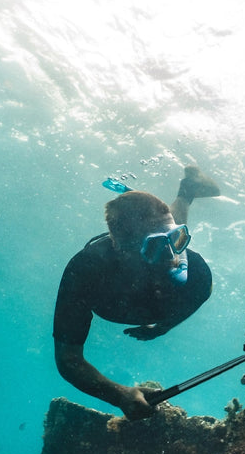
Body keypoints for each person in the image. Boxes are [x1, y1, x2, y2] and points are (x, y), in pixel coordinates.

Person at [53, 166, 220, 420]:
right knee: (164, 230)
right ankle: (181, 196)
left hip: (151, 293)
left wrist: (166, 326)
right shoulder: (86, 271)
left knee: (170, 225)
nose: (172, 257)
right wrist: (119, 394)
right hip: (113, 279)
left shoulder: (195, 271)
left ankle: (186, 192)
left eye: (177, 238)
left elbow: (202, 293)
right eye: (154, 246)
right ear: (119, 247)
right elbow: (68, 358)